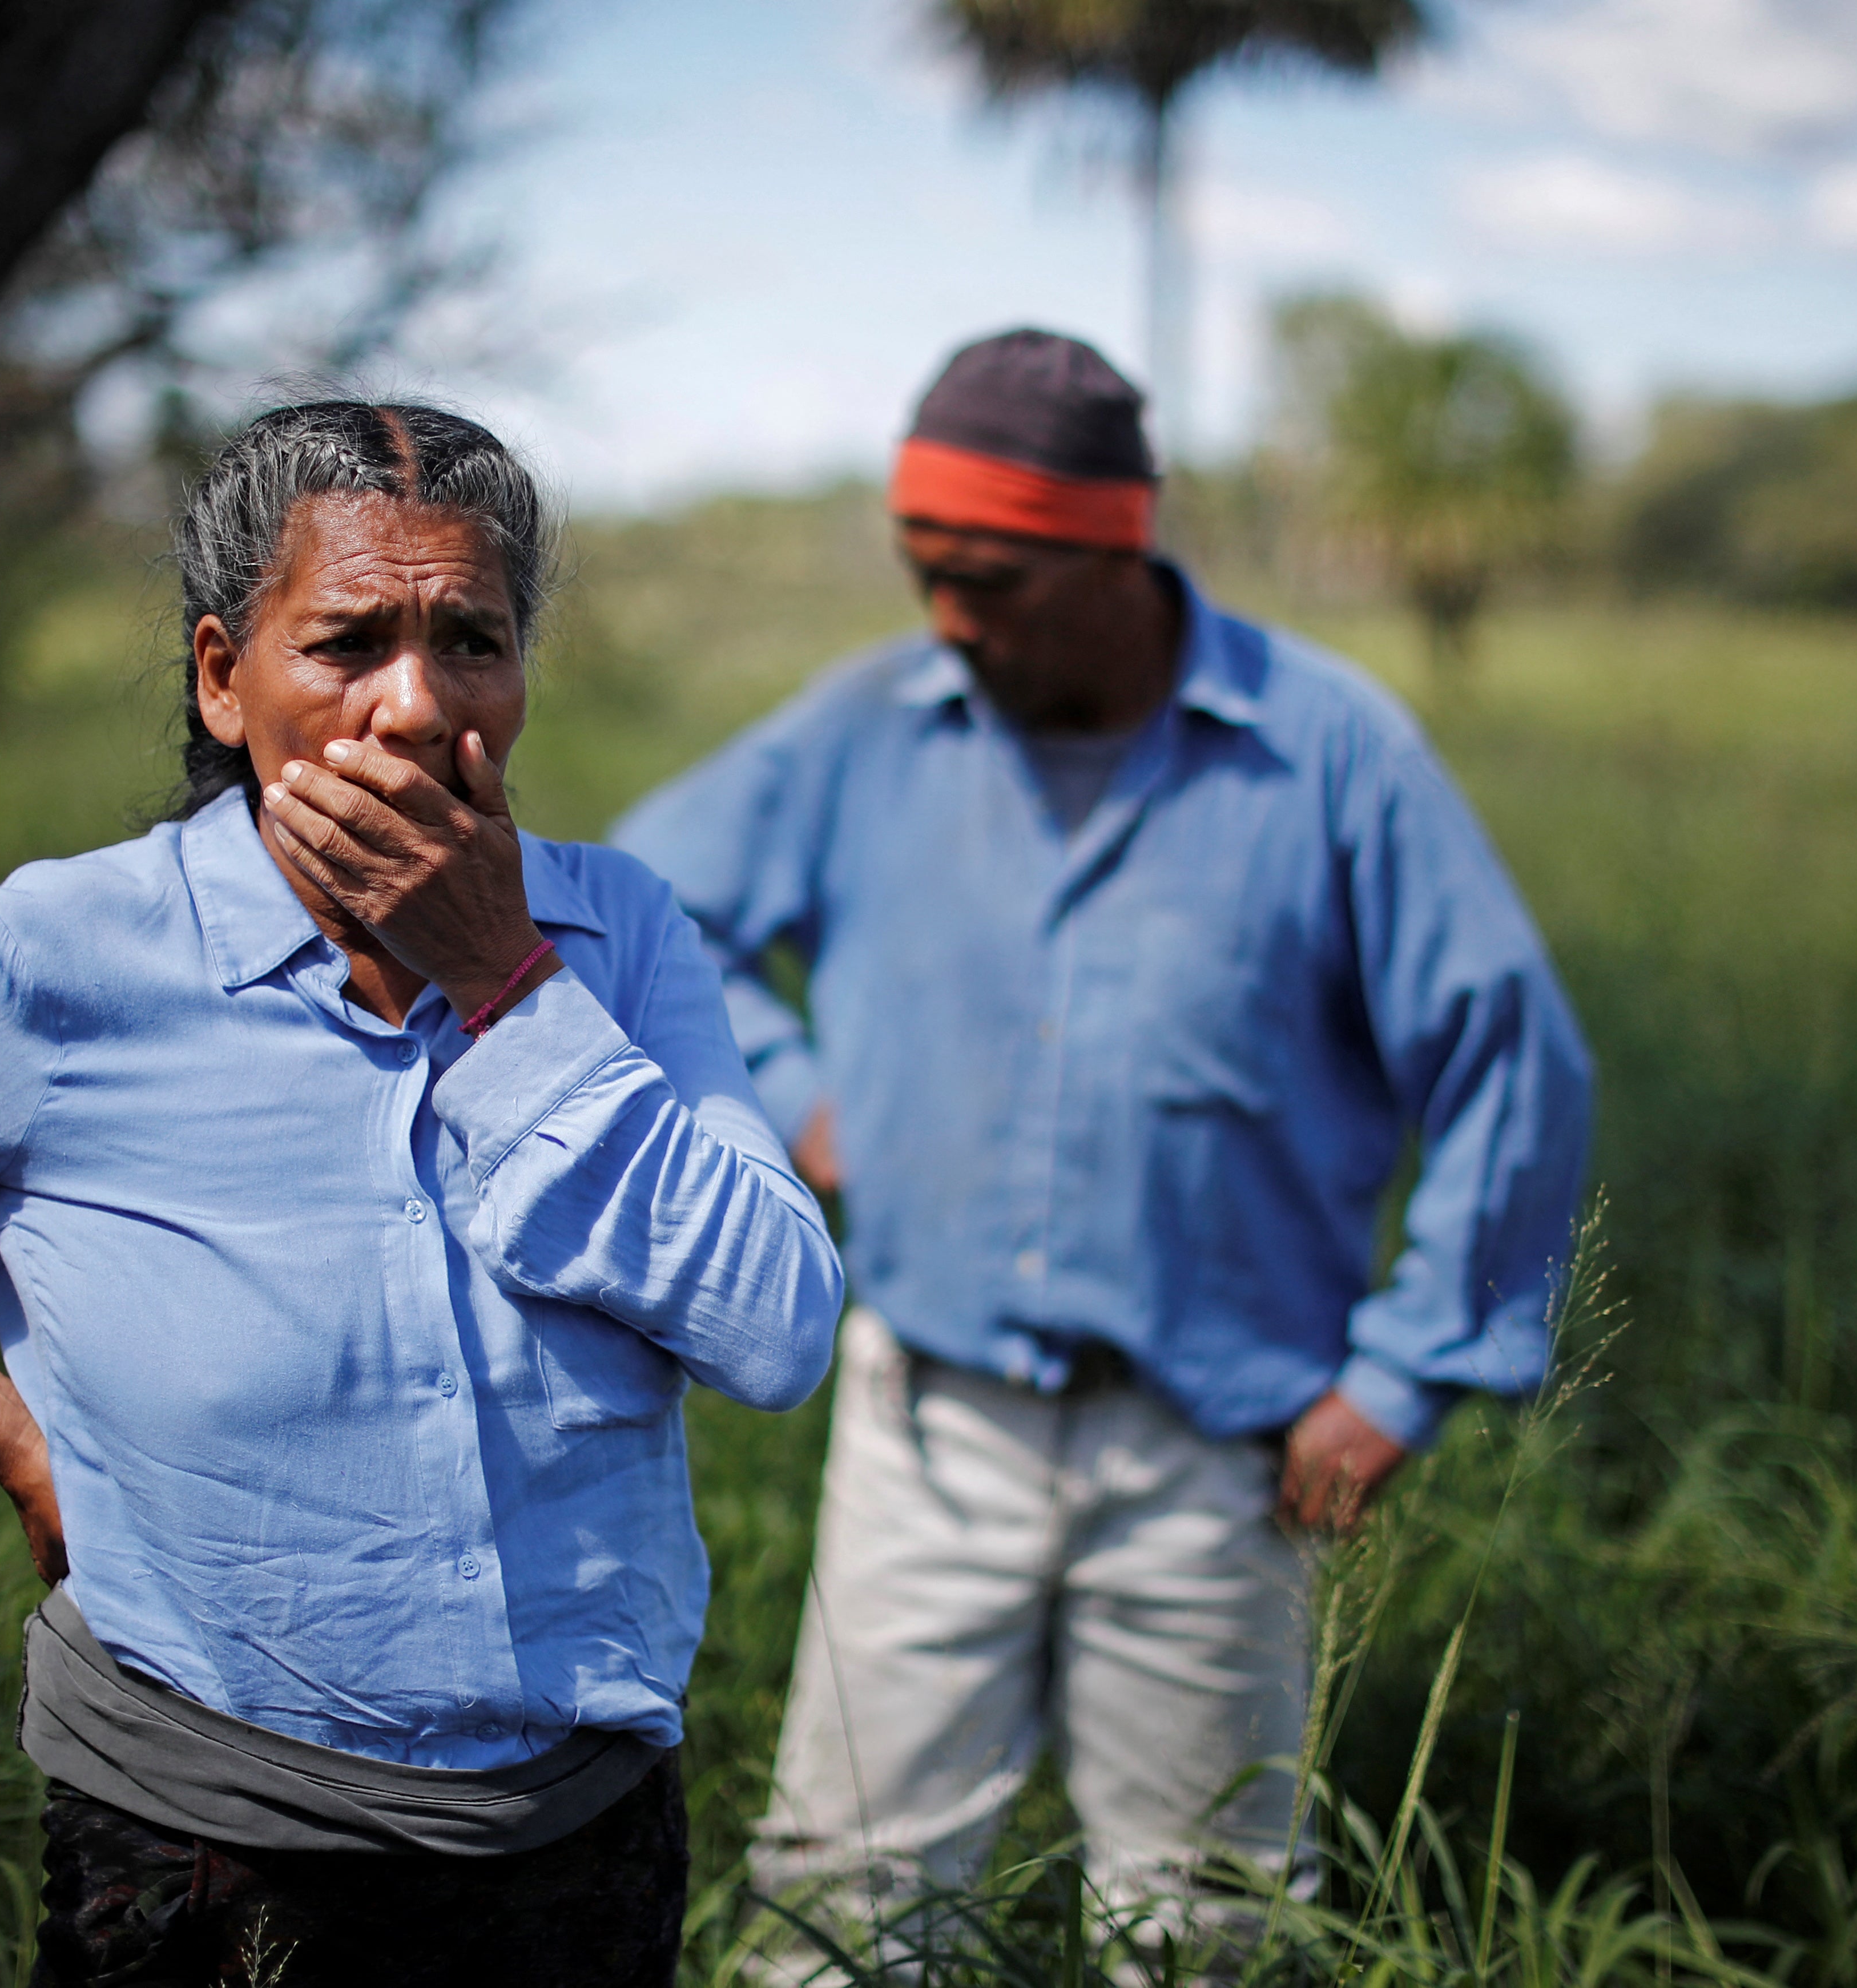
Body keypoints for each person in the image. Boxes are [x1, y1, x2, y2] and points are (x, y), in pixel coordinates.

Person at [0, 402, 844, 1988]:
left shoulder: (613, 933)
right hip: (207, 1839)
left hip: (579, 1835)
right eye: (348, 640)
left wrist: (507, 983)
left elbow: (774, 1333)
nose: (417, 706)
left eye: (474, 641)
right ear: (227, 678)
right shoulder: (59, 964)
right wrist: (8, 1425)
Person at [613, 330, 1593, 1944]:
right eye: (923, 569)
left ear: (1118, 547)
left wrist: (1409, 1370)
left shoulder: (1327, 750)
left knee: (1207, 1915)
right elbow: (653, 914)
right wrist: (792, 1097)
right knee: (846, 1898)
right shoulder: (872, 727)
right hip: (929, 1426)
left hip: (1221, 1448)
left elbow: (1514, 1056)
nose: (948, 616)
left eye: (988, 578)